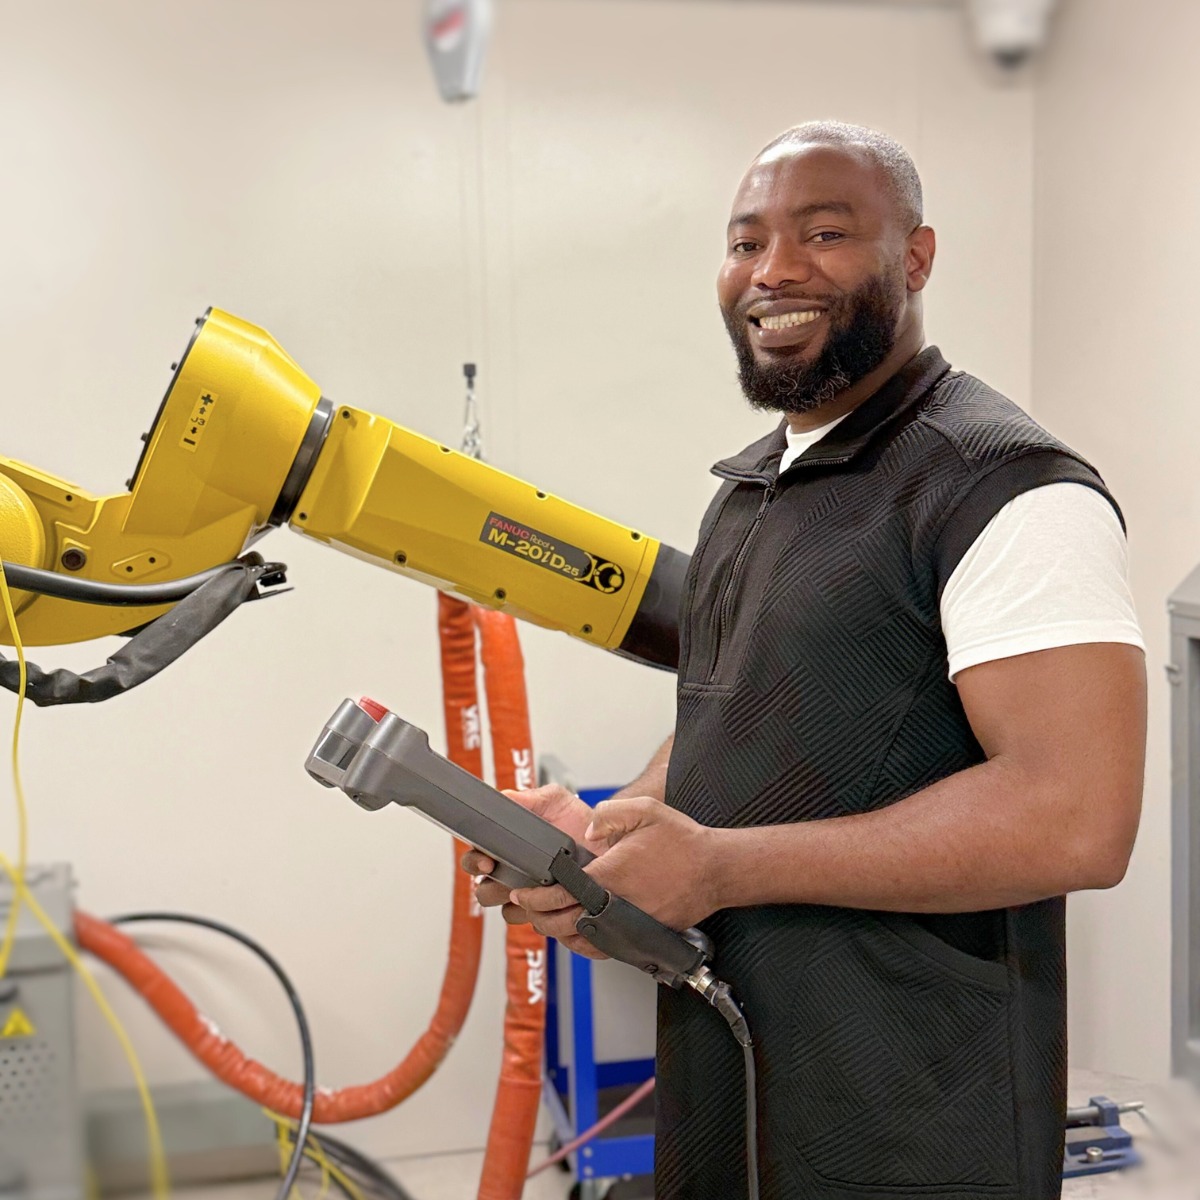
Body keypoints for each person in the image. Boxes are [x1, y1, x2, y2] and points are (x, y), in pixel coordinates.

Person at [463, 122, 1146, 1199]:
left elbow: (1077, 816)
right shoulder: (756, 491)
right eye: (745, 243)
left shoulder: (1005, 489)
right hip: (739, 1086)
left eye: (823, 234)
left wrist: (726, 868)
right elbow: (736, 715)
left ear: (913, 259)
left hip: (910, 1122)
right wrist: (609, 846)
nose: (773, 271)